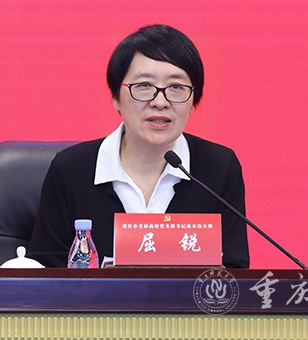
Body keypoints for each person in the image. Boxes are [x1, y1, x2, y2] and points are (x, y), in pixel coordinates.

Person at [27, 24, 249, 268]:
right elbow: (46, 272)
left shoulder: (219, 168)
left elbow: (234, 273)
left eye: (176, 87)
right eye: (144, 86)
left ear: (193, 101)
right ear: (115, 97)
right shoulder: (70, 171)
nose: (160, 102)